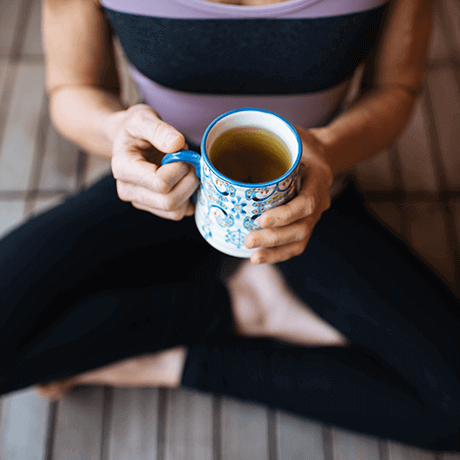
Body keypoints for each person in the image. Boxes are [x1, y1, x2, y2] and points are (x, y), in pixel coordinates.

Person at [1, 0, 459, 452]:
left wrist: (327, 147)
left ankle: (164, 361)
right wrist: (115, 129)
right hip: (166, 186)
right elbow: (72, 87)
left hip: (309, 199)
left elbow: (395, 87)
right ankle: (242, 308)